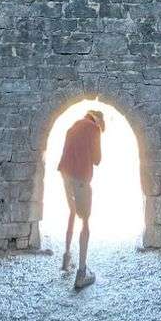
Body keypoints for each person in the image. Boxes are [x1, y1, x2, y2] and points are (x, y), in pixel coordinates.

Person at [58, 108, 105, 290]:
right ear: (98, 120)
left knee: (71, 211)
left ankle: (66, 257)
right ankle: (82, 273)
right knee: (85, 221)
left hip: (65, 173)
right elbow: (97, 159)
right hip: (80, 177)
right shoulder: (94, 128)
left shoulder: (74, 125)